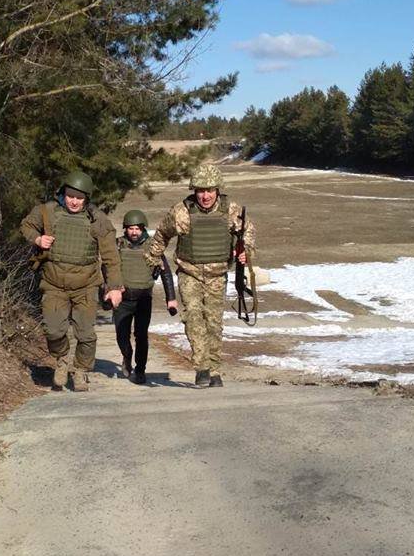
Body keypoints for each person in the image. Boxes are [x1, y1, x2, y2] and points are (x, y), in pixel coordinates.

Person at [145, 165, 255, 388]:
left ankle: (214, 370)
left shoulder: (231, 211)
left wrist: (246, 251)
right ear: (194, 191)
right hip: (189, 273)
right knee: (194, 317)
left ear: (217, 190)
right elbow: (162, 234)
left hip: (218, 276)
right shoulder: (181, 212)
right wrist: (152, 259)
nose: (205, 196)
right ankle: (202, 368)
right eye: (200, 191)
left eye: (210, 190)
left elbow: (248, 232)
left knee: (214, 323)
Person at [21, 171, 123, 392]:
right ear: (63, 194)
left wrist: (114, 287)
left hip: (86, 285)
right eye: (70, 196)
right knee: (53, 330)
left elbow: (111, 257)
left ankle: (81, 370)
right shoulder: (47, 211)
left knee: (85, 334)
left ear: (87, 198)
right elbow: (26, 225)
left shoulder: (98, 220)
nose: (74, 202)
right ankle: (61, 360)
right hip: (54, 284)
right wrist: (38, 239)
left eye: (79, 198)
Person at [114, 210, 178, 385]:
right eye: (130, 228)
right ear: (125, 229)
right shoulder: (117, 245)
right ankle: (127, 356)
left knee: (141, 335)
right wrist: (106, 292)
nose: (134, 232)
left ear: (143, 229)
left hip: (143, 298)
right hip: (122, 299)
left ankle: (140, 370)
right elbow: (107, 269)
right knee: (121, 335)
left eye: (137, 228)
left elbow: (166, 273)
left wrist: (171, 298)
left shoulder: (153, 247)